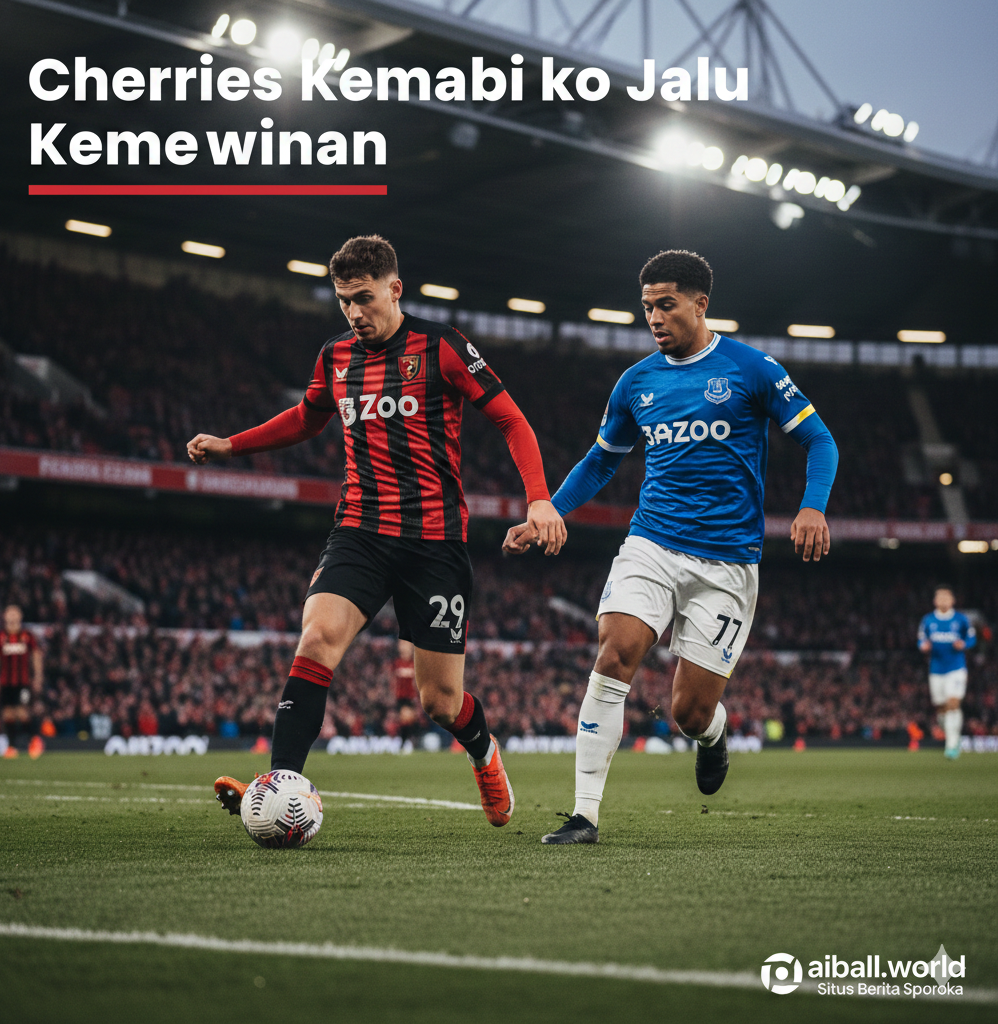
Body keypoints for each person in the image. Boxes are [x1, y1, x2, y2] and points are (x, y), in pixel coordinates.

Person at [187, 234, 565, 827]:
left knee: (439, 702)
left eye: (364, 298)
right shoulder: (334, 356)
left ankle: (485, 752)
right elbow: (307, 417)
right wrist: (232, 443)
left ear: (395, 289)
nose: (354, 313)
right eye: (343, 301)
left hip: (434, 540)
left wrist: (539, 499)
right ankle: (281, 781)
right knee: (317, 638)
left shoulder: (442, 347)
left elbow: (511, 419)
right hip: (360, 528)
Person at [504, 250, 838, 844]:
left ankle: (713, 735)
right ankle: (584, 815)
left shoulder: (753, 369)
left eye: (666, 305)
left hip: (728, 563)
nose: (654, 318)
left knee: (688, 713)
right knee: (616, 649)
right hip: (652, 542)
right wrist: (550, 509)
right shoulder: (637, 382)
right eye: (647, 307)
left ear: (700, 303)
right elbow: (601, 461)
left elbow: (819, 440)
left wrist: (812, 506)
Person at [918, 585, 975, 759]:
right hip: (936, 669)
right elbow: (921, 640)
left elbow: (972, 637)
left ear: (952, 600)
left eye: (946, 597)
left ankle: (952, 744)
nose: (943, 600)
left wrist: (964, 644)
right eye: (940, 597)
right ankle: (950, 734)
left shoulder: (961, 619)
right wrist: (923, 646)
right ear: (935, 601)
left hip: (956, 668)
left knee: (953, 703)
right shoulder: (928, 620)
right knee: (941, 707)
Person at [0, 604, 44, 756]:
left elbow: (36, 656)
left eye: (15, 613)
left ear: (20, 617)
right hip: (6, 682)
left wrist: (38, 676)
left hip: (23, 682)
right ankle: (12, 747)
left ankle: (34, 740)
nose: (12, 616)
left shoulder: (27, 635)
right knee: (7, 714)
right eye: (9, 613)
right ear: (5, 616)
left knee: (23, 712)